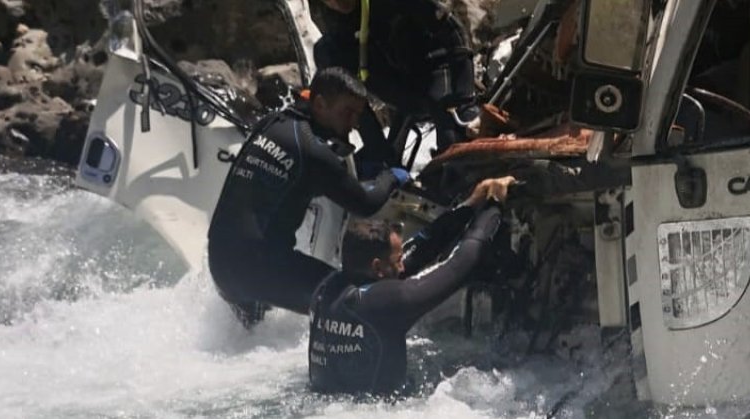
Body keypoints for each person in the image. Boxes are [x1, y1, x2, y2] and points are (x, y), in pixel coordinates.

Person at [207, 67, 411, 327]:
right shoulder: (313, 152)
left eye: (358, 115)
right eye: (347, 112)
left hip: (221, 263)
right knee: (353, 300)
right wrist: (390, 177)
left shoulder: (273, 123)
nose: (354, 123)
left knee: (250, 341)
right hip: (257, 268)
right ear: (319, 104)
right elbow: (365, 203)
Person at [308, 176, 517, 397]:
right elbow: (461, 263)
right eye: (397, 261)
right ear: (377, 267)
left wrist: (471, 204)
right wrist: (494, 205)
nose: (402, 268)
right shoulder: (385, 303)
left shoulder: (326, 289)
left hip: (330, 406)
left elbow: (418, 250)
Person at [312, 0, 480, 167]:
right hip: (399, 89)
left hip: (434, 71)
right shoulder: (332, 35)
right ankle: (379, 157)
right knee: (325, 54)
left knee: (453, 144)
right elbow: (351, 101)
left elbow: (454, 31)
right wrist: (377, 150)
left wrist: (465, 100)